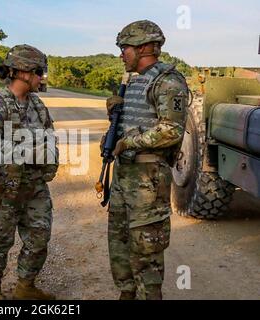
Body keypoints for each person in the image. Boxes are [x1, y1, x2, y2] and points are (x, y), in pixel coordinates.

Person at [104, 20, 189, 300]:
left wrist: (130, 140)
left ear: (143, 48)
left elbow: (172, 130)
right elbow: (134, 123)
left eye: (124, 48)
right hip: (124, 175)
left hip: (148, 180)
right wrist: (116, 114)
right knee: (119, 244)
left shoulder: (168, 81)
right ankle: (126, 294)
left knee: (146, 253)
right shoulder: (133, 81)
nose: (121, 54)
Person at [0, 44, 59, 300]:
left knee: (39, 237)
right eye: (38, 72)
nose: (41, 78)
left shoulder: (37, 105)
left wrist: (49, 157)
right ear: (22, 72)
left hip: (35, 187)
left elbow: (50, 138)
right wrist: (29, 151)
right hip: (5, 188)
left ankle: (26, 286)